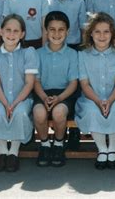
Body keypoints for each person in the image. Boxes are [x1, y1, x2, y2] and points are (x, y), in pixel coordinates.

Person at [0, 14, 39, 172]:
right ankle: (2, 152)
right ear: (0, 31)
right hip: (0, 99)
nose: (11, 34)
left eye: (16, 31)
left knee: (19, 112)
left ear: (22, 34)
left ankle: (13, 152)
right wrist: (6, 104)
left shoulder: (28, 53)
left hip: (22, 98)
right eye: (8, 30)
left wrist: (14, 104)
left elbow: (29, 83)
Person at [74, 12, 115, 169]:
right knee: (92, 110)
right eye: (97, 31)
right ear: (90, 33)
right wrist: (98, 101)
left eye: (106, 31)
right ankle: (102, 150)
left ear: (112, 34)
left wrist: (110, 100)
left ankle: (113, 149)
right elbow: (84, 84)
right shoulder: (83, 55)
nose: (102, 36)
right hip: (91, 98)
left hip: (114, 96)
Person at [33, 11, 78, 167]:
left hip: (64, 94)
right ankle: (45, 145)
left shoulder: (73, 54)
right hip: (43, 93)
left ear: (67, 31)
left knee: (59, 113)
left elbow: (73, 83)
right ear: (45, 31)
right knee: (39, 113)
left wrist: (59, 98)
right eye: (52, 29)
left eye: (61, 29)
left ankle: (59, 144)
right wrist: (44, 97)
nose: (56, 33)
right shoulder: (37, 54)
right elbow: (36, 81)